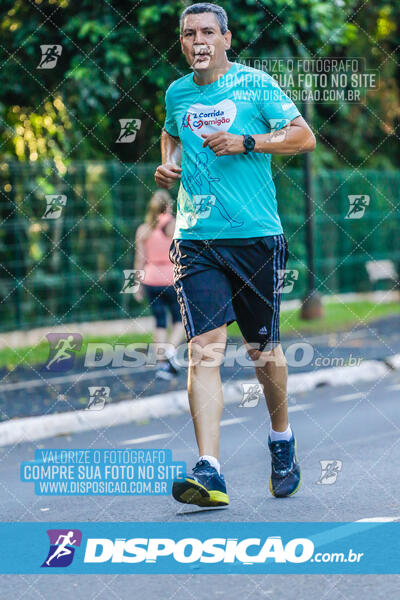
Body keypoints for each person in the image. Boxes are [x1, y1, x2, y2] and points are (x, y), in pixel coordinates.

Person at [155, 2, 316, 507]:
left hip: (254, 237)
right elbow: (171, 131)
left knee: (262, 352)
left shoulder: (256, 84)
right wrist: (168, 164)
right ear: (181, 43)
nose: (197, 40)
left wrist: (247, 141)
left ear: (227, 39)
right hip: (196, 238)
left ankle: (282, 437)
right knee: (204, 348)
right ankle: (210, 470)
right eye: (188, 33)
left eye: (207, 31)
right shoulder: (177, 92)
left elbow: (303, 137)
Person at [134, 190, 184, 380]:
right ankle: (170, 350)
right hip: (171, 278)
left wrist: (137, 286)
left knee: (160, 321)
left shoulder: (143, 229)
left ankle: (162, 364)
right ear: (169, 205)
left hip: (150, 279)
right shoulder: (174, 225)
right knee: (180, 320)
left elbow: (139, 259)